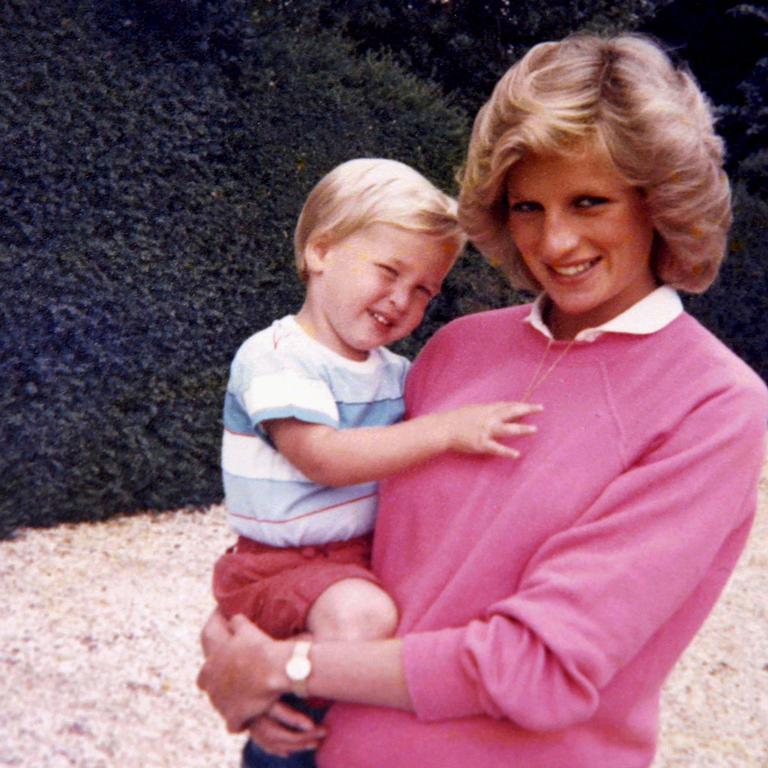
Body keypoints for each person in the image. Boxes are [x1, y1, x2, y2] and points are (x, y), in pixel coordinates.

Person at [198, 34, 768, 768]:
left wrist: (290, 667)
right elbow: (317, 529)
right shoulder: (456, 349)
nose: (555, 241)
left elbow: (539, 665)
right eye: (528, 205)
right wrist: (229, 645)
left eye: (588, 201)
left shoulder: (714, 405)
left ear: (658, 201)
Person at [214, 158, 539, 666]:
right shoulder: (276, 356)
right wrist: (446, 431)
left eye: (423, 291)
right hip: (278, 566)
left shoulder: (396, 373)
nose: (401, 299)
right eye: (389, 271)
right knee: (361, 617)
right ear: (320, 250)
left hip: (364, 556)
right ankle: (273, 688)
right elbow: (322, 458)